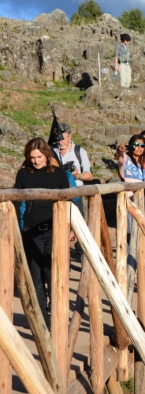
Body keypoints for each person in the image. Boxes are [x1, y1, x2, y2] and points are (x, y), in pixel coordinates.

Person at [14, 137, 73, 328]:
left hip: (54, 229)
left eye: (39, 157)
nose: (36, 161)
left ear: (47, 155)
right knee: (36, 276)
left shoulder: (59, 175)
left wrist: (71, 227)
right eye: (32, 157)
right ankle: (44, 321)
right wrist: (15, 227)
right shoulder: (24, 174)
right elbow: (15, 201)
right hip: (31, 231)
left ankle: (56, 313)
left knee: (52, 274)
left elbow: (68, 202)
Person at [51, 122, 93, 187]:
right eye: (58, 139)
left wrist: (77, 176)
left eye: (63, 139)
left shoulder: (79, 151)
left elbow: (90, 176)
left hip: (76, 190)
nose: (60, 142)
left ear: (70, 136)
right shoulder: (51, 150)